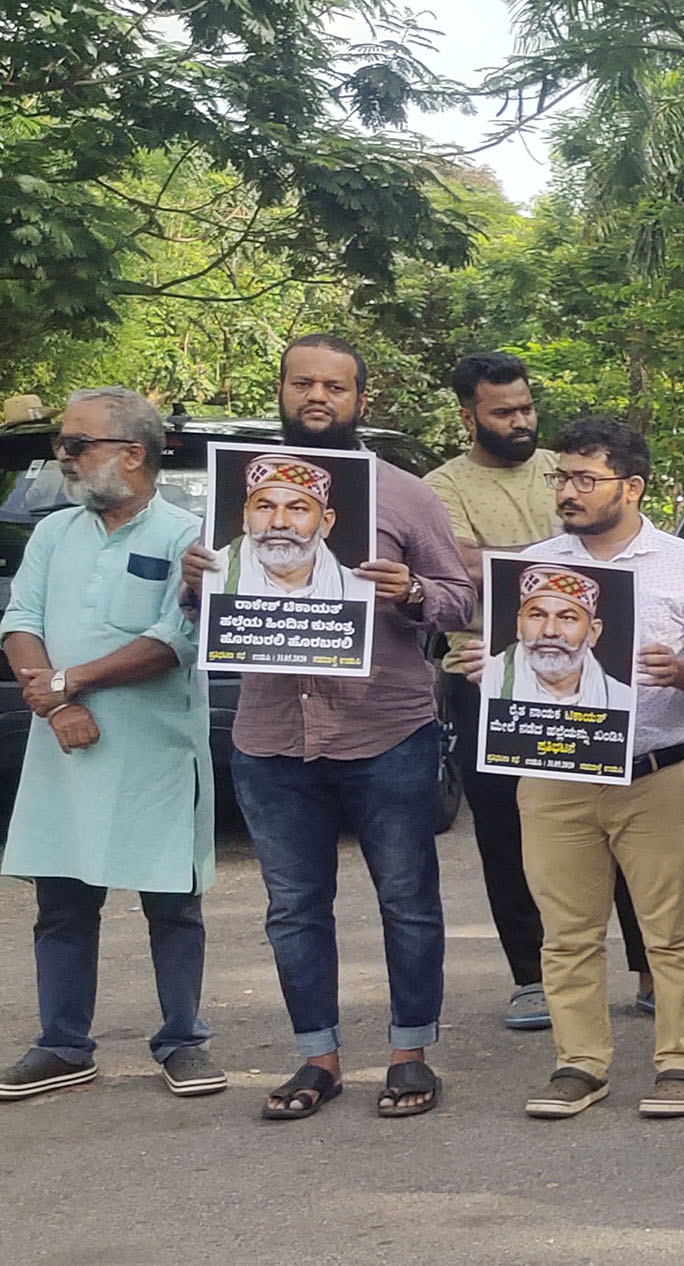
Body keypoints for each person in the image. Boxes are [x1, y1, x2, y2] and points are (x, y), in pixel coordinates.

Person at [189, 333, 476, 1122]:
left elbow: (460, 599)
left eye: (335, 387)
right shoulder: (230, 496)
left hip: (387, 733)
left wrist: (413, 591)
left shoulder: (404, 494)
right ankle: (317, 1058)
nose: (317, 396)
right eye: (303, 383)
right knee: (293, 908)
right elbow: (204, 614)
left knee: (408, 899)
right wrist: (192, 586)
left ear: (359, 400)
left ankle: (410, 1053)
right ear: (282, 391)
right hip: (271, 738)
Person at [453, 418, 684, 1121]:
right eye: (561, 477)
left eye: (584, 479)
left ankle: (682, 1061)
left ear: (631, 487)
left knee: (674, 930)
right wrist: (489, 669)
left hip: (657, 775)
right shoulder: (531, 568)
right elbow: (515, 664)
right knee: (567, 932)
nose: (567, 491)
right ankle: (580, 1063)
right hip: (554, 776)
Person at [0, 388, 221, 1102]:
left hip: (158, 751)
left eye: (75, 444)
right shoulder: (54, 533)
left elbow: (173, 641)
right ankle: (63, 1044)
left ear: (131, 454)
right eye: (61, 444)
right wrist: (60, 705)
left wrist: (68, 682)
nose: (62, 457)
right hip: (65, 746)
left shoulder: (189, 537)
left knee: (172, 904)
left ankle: (183, 1041)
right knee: (62, 902)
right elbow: (19, 620)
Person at [426, 351, 620, 1032]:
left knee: (616, 817)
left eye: (527, 408)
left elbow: (606, 546)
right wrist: (562, 559)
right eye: (503, 411)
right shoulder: (441, 486)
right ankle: (531, 978)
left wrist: (505, 565)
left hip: (587, 671)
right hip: (486, 675)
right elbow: (456, 564)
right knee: (506, 831)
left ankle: (648, 970)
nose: (521, 421)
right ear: (468, 416)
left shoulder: (562, 468)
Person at [214, 455, 375, 602]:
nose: (278, 523)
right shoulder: (215, 574)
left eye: (297, 509)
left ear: (325, 522)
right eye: (265, 507)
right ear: (246, 517)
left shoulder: (355, 588)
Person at [488, 565, 638, 708]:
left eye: (567, 618)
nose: (549, 631)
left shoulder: (620, 698)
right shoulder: (488, 679)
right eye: (537, 615)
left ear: (593, 632)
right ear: (519, 624)